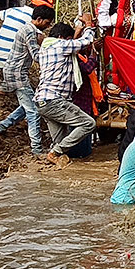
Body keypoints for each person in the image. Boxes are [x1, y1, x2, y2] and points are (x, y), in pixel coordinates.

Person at [34, 16, 101, 166]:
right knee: (88, 124)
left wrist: (78, 30)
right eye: (68, 39)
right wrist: (89, 25)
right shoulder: (59, 45)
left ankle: (56, 162)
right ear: (61, 37)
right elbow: (85, 41)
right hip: (54, 100)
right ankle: (54, 153)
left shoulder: (46, 48)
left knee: (61, 143)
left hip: (42, 101)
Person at [0, 3, 55, 156]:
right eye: (46, 23)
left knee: (28, 104)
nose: (47, 26)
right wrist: (55, 51)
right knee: (33, 111)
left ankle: (1, 127)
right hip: (17, 74)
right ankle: (36, 149)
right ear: (39, 19)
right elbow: (37, 56)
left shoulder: (29, 29)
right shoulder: (30, 32)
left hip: (15, 72)